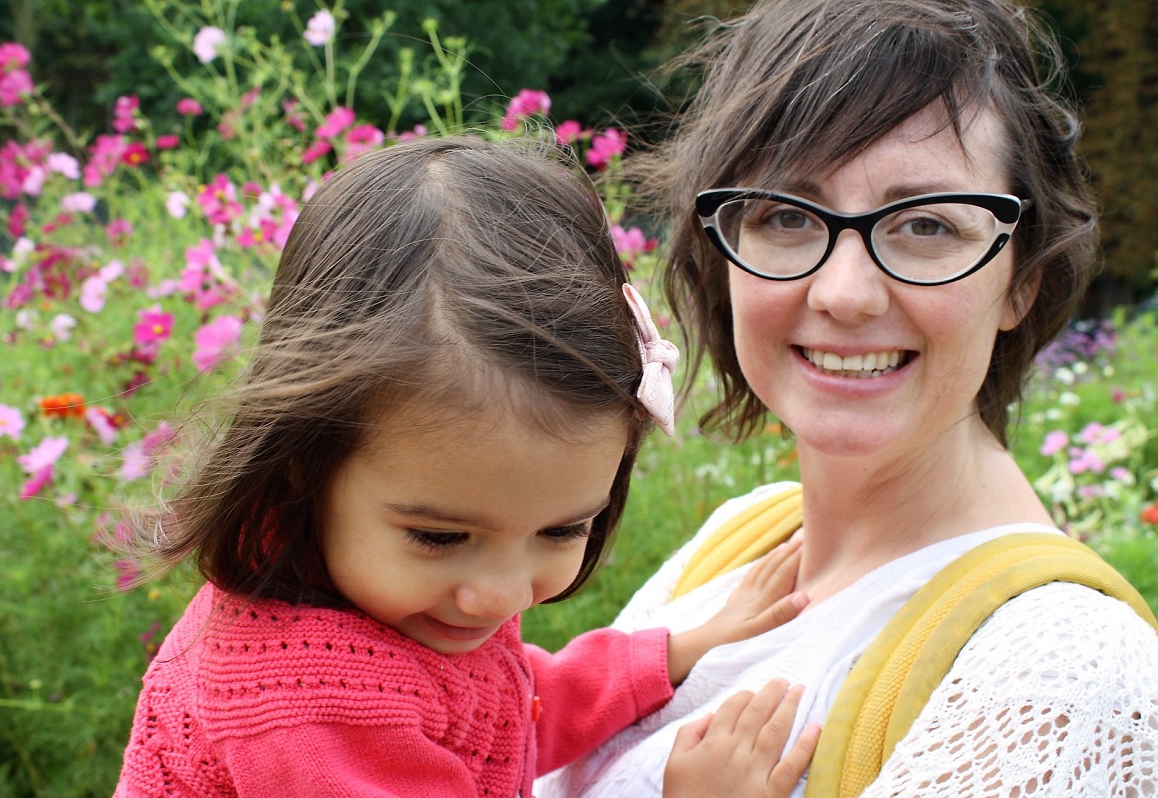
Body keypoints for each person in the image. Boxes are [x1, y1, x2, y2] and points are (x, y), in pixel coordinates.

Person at [538, 0, 1158, 796]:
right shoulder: (745, 540)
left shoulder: (1063, 682)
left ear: (1022, 282)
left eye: (928, 226)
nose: (845, 293)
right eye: (788, 216)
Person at [112, 135, 819, 798]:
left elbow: (501, 713)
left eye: (565, 529)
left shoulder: (398, 598)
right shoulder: (310, 711)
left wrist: (673, 652)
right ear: (306, 463)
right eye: (440, 537)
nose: (501, 593)